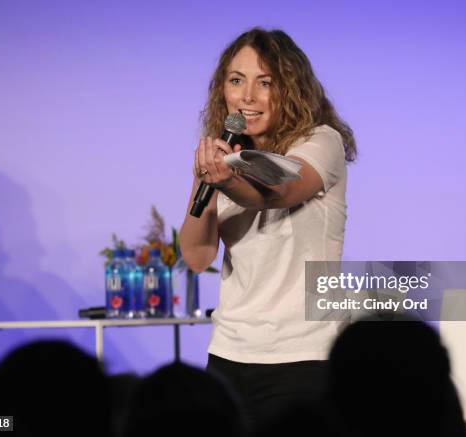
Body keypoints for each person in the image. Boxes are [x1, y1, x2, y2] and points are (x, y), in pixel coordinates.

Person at [179, 27, 356, 426]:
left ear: (290, 89)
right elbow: (197, 255)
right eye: (236, 80)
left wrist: (227, 178)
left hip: (304, 356)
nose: (248, 96)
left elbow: (280, 191)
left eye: (266, 83)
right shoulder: (223, 155)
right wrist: (203, 179)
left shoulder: (320, 142)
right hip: (230, 351)